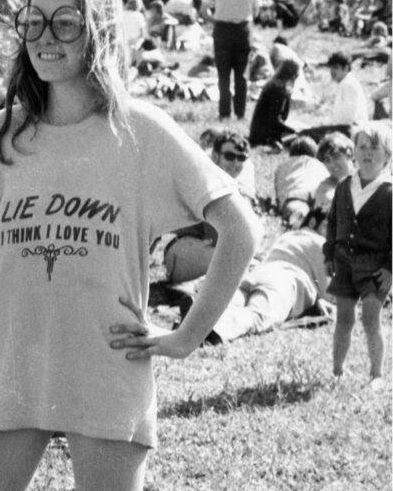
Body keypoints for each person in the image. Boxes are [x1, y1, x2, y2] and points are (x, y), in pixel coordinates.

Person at [0, 0, 259, 491]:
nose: (45, 37)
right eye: (33, 22)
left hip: (108, 371)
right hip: (13, 370)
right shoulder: (2, 135)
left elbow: (241, 230)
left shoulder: (140, 130)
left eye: (65, 23)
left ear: (100, 32)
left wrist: (184, 337)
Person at [182, 208, 335, 345]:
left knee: (231, 303)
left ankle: (196, 313)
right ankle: (215, 327)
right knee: (258, 315)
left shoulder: (288, 236)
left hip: (258, 274)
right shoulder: (321, 243)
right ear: (314, 222)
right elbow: (331, 295)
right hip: (286, 282)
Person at [325, 121, 391, 390]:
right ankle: (337, 371)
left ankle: (377, 374)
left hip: (375, 267)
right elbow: (332, 221)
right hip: (344, 262)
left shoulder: (388, 191)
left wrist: (389, 267)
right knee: (344, 318)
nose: (367, 153)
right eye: (362, 147)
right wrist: (329, 252)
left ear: (387, 155)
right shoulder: (344, 187)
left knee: (371, 318)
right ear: (353, 152)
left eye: (375, 148)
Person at [162, 129, 256, 283]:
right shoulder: (206, 183)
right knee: (239, 265)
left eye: (241, 158)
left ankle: (194, 290)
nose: (236, 163)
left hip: (207, 251)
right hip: (183, 250)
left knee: (241, 264)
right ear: (215, 156)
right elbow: (221, 238)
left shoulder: (234, 187)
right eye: (230, 156)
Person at [200, 0, 262, 119]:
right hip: (243, 30)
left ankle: (224, 112)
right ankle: (240, 113)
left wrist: (214, 19)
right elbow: (257, 11)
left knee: (223, 74)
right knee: (241, 75)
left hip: (223, 30)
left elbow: (203, 8)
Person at [273, 135, 329, 228]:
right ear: (314, 153)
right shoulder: (318, 164)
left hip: (296, 195)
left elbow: (278, 191)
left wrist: (281, 204)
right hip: (320, 192)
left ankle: (302, 219)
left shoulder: (282, 166)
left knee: (296, 209)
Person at [248, 58, 300, 148]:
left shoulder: (274, 84)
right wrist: (294, 130)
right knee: (303, 136)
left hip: (258, 132)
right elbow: (274, 120)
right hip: (265, 137)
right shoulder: (279, 89)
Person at [313, 132, 355, 214]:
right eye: (327, 160)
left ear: (349, 155)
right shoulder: (324, 188)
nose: (332, 164)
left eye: (336, 157)